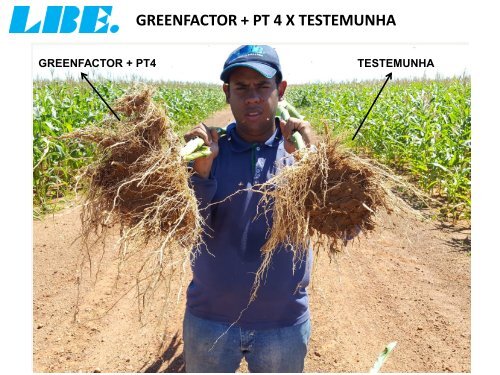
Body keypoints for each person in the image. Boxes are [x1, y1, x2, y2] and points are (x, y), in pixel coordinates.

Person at [182, 45, 316, 373]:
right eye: (241, 87)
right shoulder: (207, 153)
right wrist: (200, 171)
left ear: (280, 91)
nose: (252, 97)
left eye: (262, 86)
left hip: (283, 325)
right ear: (227, 93)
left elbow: (346, 224)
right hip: (209, 322)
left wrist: (314, 163)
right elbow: (184, 230)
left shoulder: (303, 156)